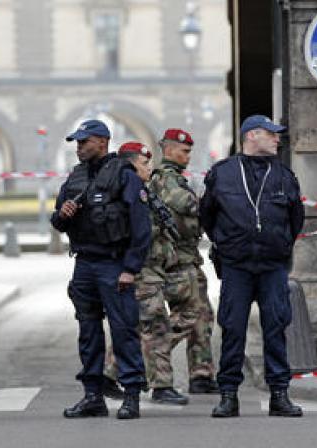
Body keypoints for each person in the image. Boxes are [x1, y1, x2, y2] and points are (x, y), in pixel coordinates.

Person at [200, 115, 304, 418]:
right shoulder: (223, 173)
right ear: (252, 135)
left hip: (272, 265)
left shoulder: (284, 174)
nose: (278, 139)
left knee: (276, 327)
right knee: (233, 328)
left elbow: (295, 218)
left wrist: (281, 244)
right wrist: (226, 243)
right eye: (272, 134)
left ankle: (279, 395)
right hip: (237, 265)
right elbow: (208, 215)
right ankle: (229, 395)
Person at [51, 120, 150, 420]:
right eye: (77, 143)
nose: (79, 147)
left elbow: (141, 227)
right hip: (85, 264)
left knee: (123, 331)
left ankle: (131, 395)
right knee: (88, 331)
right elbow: (57, 222)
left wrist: (130, 268)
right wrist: (63, 214)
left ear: (103, 142)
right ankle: (92, 396)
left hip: (114, 263)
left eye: (84, 142)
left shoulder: (124, 174)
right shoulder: (75, 177)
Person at [103, 141, 189, 405]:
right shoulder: (129, 191)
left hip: (151, 270)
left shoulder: (141, 189)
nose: (149, 168)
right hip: (143, 272)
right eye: (144, 163)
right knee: (157, 328)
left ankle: (109, 374)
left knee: (139, 327)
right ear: (130, 164)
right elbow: (138, 233)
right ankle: (161, 386)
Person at [150, 129, 217, 395]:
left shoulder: (175, 178)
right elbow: (187, 205)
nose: (188, 156)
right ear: (168, 150)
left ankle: (201, 374)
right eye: (184, 151)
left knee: (202, 316)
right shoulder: (167, 179)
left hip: (187, 258)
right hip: (176, 260)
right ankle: (139, 361)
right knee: (186, 317)